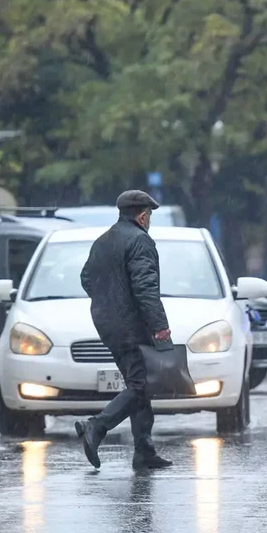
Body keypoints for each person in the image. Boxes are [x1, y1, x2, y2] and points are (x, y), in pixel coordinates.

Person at [75, 190, 173, 470]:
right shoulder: (140, 240)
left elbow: (86, 278)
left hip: (108, 324)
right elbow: (145, 288)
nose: (150, 220)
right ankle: (97, 426)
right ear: (143, 216)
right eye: (150, 215)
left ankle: (144, 450)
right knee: (140, 386)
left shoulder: (103, 241)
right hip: (132, 326)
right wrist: (160, 326)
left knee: (138, 383)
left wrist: (108, 302)